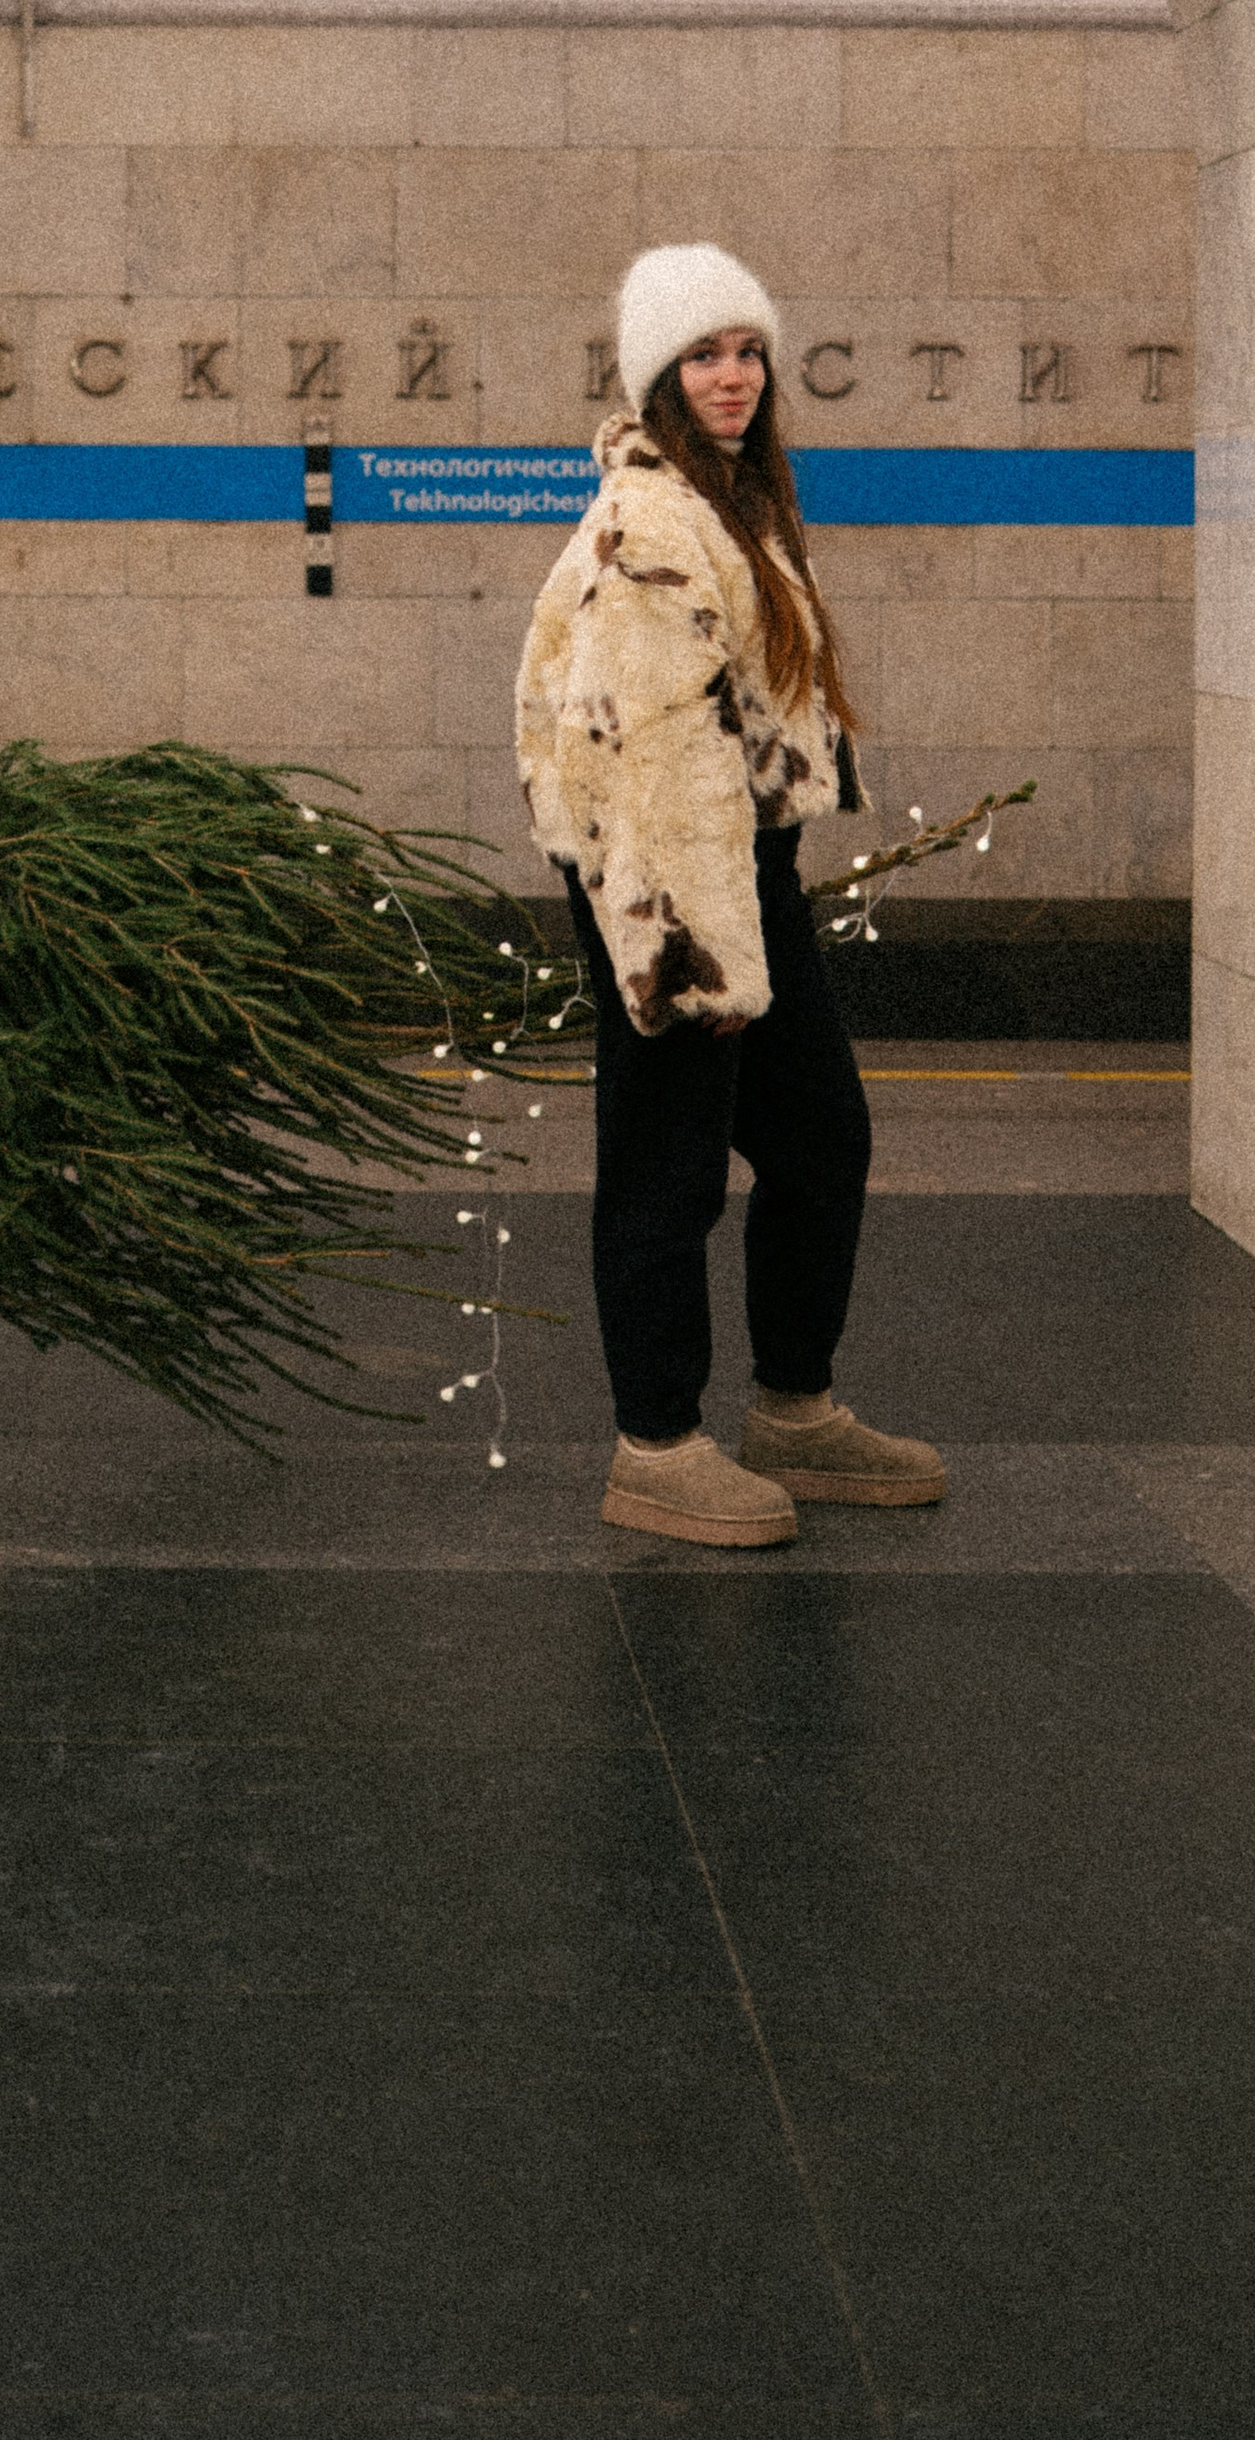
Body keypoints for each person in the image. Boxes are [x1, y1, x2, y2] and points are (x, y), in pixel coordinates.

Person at [515, 242, 944, 1549]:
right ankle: (658, 1444)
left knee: (819, 1139)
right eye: (703, 354)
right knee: (666, 1171)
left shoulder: (734, 505)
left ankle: (794, 1410)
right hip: (664, 888)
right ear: (656, 377)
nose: (734, 374)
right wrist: (693, 958)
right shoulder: (650, 525)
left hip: (745, 873)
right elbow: (644, 765)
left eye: (748, 349)